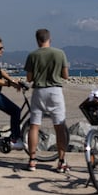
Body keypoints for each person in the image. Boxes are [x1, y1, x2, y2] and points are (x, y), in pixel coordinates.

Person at [24, 29, 69, 172]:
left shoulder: (32, 55)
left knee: (34, 126)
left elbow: (29, 78)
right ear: (50, 39)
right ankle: (61, 162)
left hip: (38, 91)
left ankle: (32, 160)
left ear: (37, 40)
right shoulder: (59, 53)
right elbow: (65, 76)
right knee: (59, 127)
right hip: (55, 91)